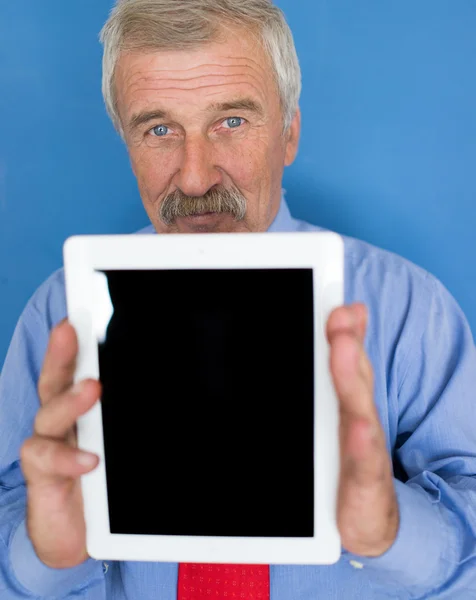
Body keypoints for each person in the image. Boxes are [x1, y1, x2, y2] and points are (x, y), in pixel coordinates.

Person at [0, 0, 475, 598]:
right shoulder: (59, 313)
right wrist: (43, 553)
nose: (195, 177)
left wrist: (392, 530)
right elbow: (11, 520)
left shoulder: (410, 310)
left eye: (231, 121)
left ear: (290, 134)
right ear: (127, 143)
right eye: (159, 129)